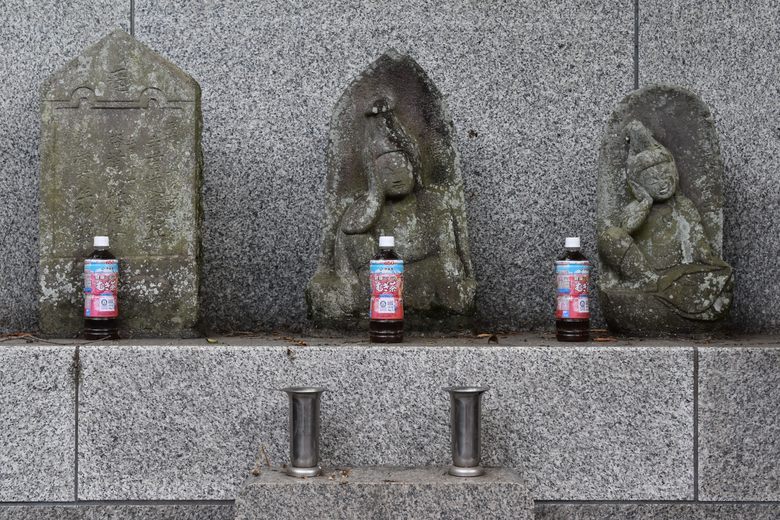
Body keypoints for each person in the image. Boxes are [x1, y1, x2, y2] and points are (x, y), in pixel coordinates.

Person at [598, 120, 732, 320]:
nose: (663, 184)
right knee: (611, 237)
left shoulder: (683, 206)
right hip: (645, 274)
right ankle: (648, 280)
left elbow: (697, 239)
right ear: (639, 184)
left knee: (718, 276)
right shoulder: (637, 207)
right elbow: (626, 229)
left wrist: (708, 259)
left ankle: (659, 287)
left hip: (678, 272)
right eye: (653, 180)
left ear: (675, 173)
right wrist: (645, 203)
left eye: (666, 175)